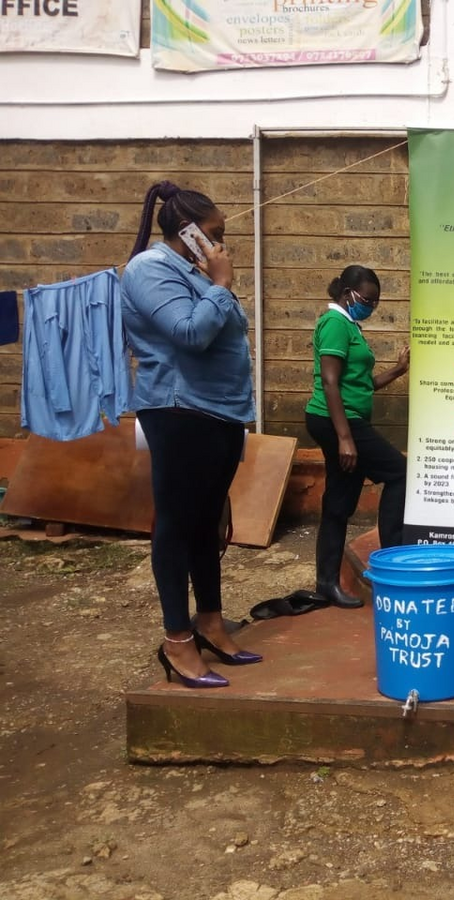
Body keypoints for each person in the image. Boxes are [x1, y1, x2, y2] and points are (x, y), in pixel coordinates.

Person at [121, 181, 259, 689]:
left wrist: (214, 281)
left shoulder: (195, 271)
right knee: (177, 524)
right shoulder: (149, 269)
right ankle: (177, 639)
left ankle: (210, 621)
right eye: (216, 234)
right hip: (179, 410)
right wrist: (220, 284)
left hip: (219, 412)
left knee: (207, 522)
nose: (223, 244)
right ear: (189, 232)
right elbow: (188, 334)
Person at [305, 265, 410, 609]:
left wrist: (398, 369)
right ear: (346, 292)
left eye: (376, 301)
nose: (371, 306)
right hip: (338, 421)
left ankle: (326, 583)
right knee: (399, 472)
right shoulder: (335, 323)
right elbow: (331, 382)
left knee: (339, 502)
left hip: (343, 421)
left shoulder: (349, 325)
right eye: (367, 299)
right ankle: (393, 565)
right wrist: (345, 438)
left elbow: (360, 385)